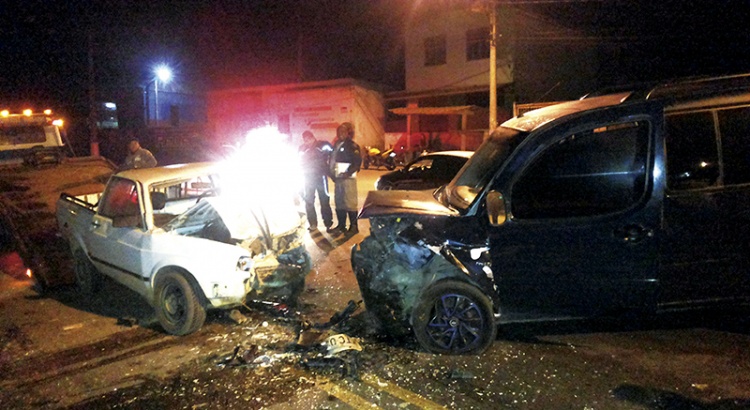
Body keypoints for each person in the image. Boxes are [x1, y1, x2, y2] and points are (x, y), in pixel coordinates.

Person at [328, 122, 361, 235]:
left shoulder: (352, 146)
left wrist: (348, 173)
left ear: (348, 133)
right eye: (338, 132)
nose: (340, 134)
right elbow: (332, 160)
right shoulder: (336, 144)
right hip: (338, 178)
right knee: (339, 202)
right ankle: (341, 226)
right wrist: (331, 174)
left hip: (348, 179)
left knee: (350, 202)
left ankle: (354, 227)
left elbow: (357, 163)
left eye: (343, 132)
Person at [298, 130, 333, 231]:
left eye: (308, 139)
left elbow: (333, 154)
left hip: (321, 177)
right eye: (305, 139)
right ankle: (313, 224)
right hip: (308, 179)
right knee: (309, 201)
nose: (306, 141)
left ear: (313, 137)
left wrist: (330, 170)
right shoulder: (302, 148)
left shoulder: (322, 145)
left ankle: (328, 223)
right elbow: (299, 162)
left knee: (324, 200)